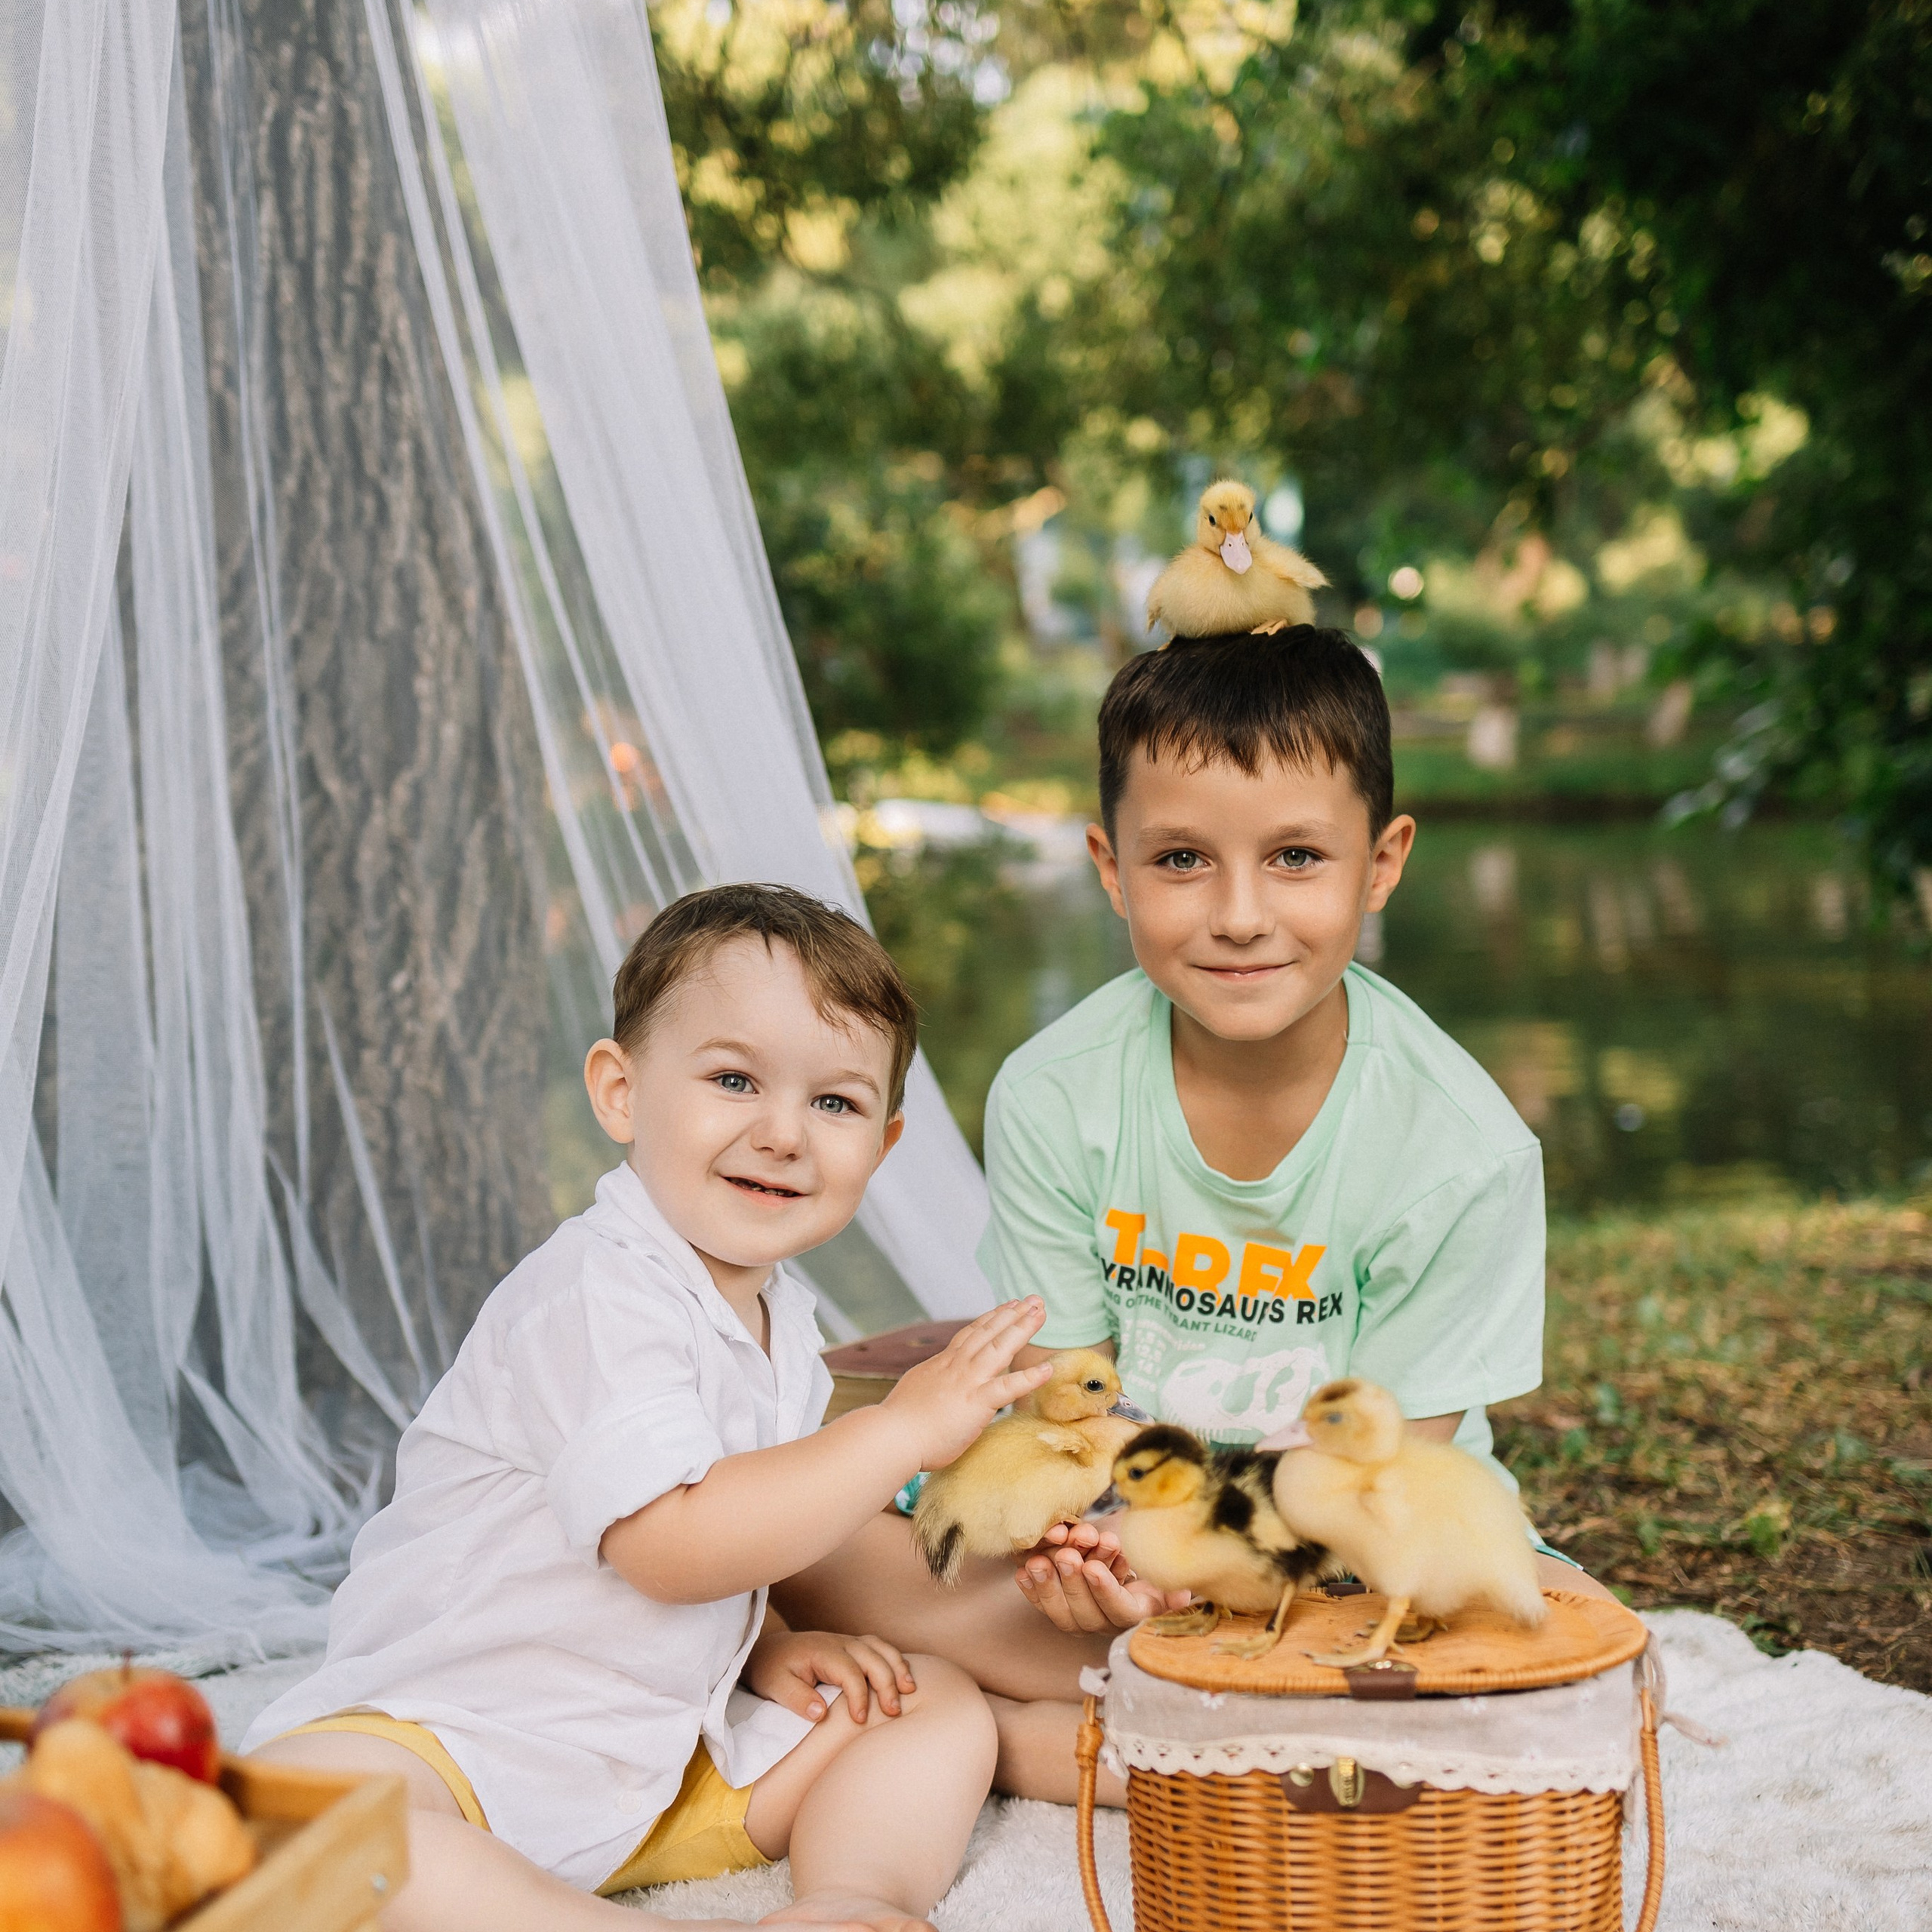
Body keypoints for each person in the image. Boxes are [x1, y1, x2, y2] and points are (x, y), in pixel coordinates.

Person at [774, 626, 1614, 1803]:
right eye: (1179, 860)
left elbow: (1387, 1474)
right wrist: (1101, 1551)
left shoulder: (1460, 1150)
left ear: (1381, 863)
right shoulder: (1055, 1093)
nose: (1237, 915)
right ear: (1111, 868)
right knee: (804, 1541)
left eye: (1296, 858)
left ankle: (1086, 1735)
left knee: (1594, 1682)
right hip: (1133, 1522)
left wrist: (1209, 1566)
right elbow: (1072, 1404)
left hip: (1351, 1555)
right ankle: (1209, 1728)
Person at [244, 884, 1057, 1932]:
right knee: (310, 1825)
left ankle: (857, 1898)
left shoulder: (785, 1324)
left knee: (927, 1700)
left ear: (884, 1148)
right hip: (464, 1739)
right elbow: (671, 1545)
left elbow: (750, 1539)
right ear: (621, 1093)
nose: (783, 1134)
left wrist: (767, 1646)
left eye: (835, 1104)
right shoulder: (593, 1291)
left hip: (662, 1758)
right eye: (733, 1080)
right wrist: (898, 1428)